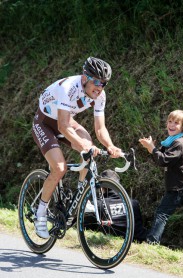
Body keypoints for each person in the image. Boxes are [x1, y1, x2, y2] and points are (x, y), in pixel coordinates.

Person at [32, 57, 122, 239]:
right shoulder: (69, 88)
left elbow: (100, 128)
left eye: (103, 83)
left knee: (88, 147)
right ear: (84, 78)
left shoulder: (100, 95)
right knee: (59, 168)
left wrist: (110, 146)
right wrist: (85, 146)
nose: (100, 87)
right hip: (45, 123)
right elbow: (64, 126)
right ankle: (40, 212)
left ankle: (81, 197)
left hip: (64, 121)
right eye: (96, 81)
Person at [139, 109, 183, 244]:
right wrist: (152, 147)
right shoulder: (170, 141)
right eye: (170, 121)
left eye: (176, 123)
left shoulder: (179, 143)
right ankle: (152, 241)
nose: (171, 125)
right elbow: (160, 157)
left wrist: (152, 148)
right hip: (182, 184)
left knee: (162, 213)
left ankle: (151, 242)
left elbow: (163, 160)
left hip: (178, 186)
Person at [99, 169, 147, 242]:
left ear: (102, 187)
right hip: (139, 239)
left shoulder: (99, 204)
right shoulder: (134, 203)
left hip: (117, 242)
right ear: (119, 185)